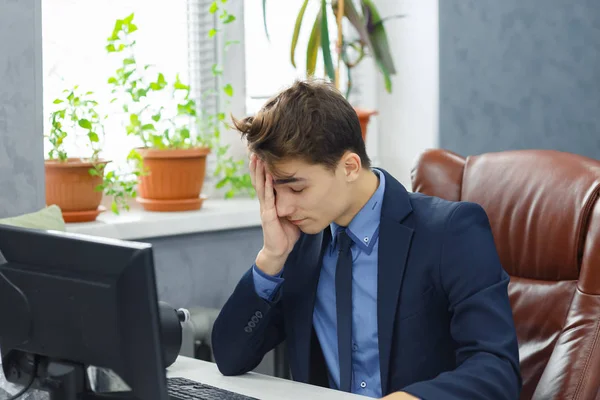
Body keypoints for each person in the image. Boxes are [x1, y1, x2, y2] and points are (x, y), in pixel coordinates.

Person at [211, 79, 521, 400]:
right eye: (275, 190)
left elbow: (497, 370)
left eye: (297, 188)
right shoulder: (298, 243)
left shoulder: (451, 232)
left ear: (349, 167)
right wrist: (271, 256)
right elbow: (230, 358)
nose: (285, 207)